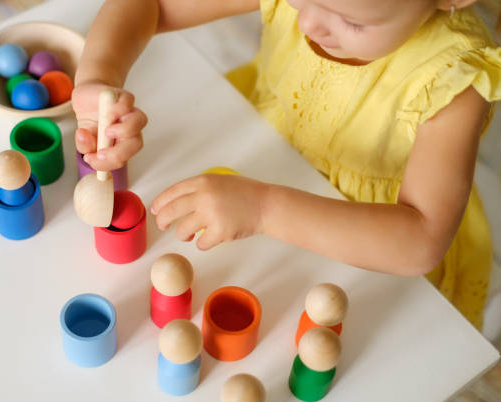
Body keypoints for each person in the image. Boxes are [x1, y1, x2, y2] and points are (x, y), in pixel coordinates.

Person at [72, 0, 501, 329]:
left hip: (364, 238)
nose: (309, 24)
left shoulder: (455, 77)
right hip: (260, 161)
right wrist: (98, 78)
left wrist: (264, 209)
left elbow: (421, 239)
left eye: (352, 21)